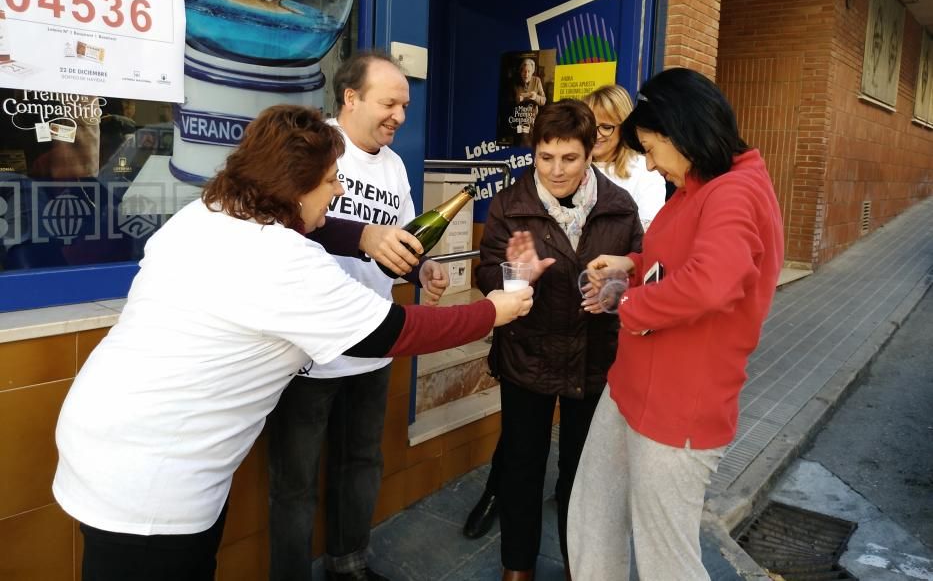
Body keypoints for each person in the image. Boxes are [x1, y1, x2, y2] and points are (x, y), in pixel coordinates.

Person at [52, 105, 533, 581]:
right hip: (154, 476)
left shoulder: (209, 212)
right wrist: (494, 310)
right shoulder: (280, 260)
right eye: (330, 180)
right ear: (293, 186)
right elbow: (396, 331)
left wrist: (366, 235)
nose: (340, 189)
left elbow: (321, 228)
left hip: (104, 433)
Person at [567, 68, 785, 580]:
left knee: (666, 559)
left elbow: (713, 282)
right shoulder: (697, 186)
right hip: (633, 387)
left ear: (681, 134)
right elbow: (677, 263)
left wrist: (630, 309)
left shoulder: (733, 192)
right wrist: (631, 267)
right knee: (593, 516)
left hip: (679, 405)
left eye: (650, 147)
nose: (648, 161)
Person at [266, 51, 447, 581]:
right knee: (294, 484)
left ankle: (349, 567)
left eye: (405, 106)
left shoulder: (392, 165)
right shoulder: (312, 149)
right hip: (309, 351)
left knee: (361, 464)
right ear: (350, 98)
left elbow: (405, 239)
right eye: (390, 102)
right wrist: (363, 236)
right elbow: (282, 218)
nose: (400, 116)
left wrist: (421, 271)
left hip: (373, 342)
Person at [475, 99, 643, 581]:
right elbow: (487, 271)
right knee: (522, 468)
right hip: (527, 354)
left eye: (569, 158)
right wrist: (513, 275)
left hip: (594, 358)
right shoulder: (511, 204)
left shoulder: (618, 205)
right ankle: (517, 567)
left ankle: (580, 566)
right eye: (545, 157)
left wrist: (615, 291)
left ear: (592, 152)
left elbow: (640, 269)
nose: (555, 170)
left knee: (583, 474)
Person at [583, 84, 666, 229]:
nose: (595, 135)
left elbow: (647, 233)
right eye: (589, 125)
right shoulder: (570, 165)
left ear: (625, 127)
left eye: (606, 127)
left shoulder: (645, 171)